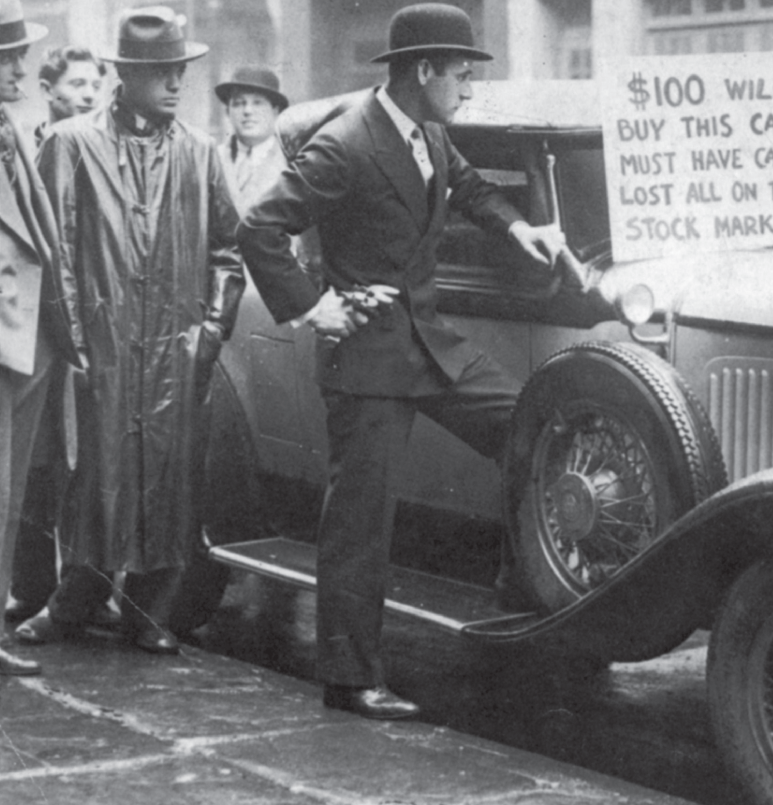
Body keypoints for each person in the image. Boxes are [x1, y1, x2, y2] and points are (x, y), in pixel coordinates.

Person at [237, 3, 565, 720]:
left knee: (532, 429)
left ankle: (517, 599)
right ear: (423, 72)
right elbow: (259, 224)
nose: (469, 88)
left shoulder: (428, 132)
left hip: (428, 344)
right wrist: (309, 305)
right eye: (461, 74)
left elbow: (470, 190)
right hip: (367, 358)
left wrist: (521, 230)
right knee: (359, 522)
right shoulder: (347, 143)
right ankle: (351, 680)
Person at [15, 6, 244, 657]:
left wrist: (210, 331)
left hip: (175, 346)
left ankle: (150, 609)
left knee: (168, 482)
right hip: (100, 342)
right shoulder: (74, 143)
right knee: (93, 476)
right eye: (162, 72)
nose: (176, 83)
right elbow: (54, 245)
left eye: (180, 71)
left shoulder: (199, 153)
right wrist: (75, 341)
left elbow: (230, 249)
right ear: (130, 74)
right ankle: (72, 601)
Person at [7, 43, 106, 627]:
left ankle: (76, 590)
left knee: (70, 467)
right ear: (51, 91)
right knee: (30, 470)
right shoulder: (31, 138)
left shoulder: (98, 147)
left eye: (96, 84)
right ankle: (30, 585)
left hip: (71, 330)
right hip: (26, 330)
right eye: (76, 84)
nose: (88, 95)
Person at [0, 0, 81, 677]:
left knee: (10, 496)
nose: (18, 69)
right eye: (6, 57)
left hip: (29, 342)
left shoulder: (13, 128)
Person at [214, 65, 288, 214]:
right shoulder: (212, 159)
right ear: (228, 111)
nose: (247, 111)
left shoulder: (292, 161)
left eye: (258, 102)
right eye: (239, 103)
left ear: (275, 110)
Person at [33, 45, 103, 147]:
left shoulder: (106, 149)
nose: (90, 95)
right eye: (78, 84)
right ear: (47, 91)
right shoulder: (20, 149)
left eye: (96, 87)